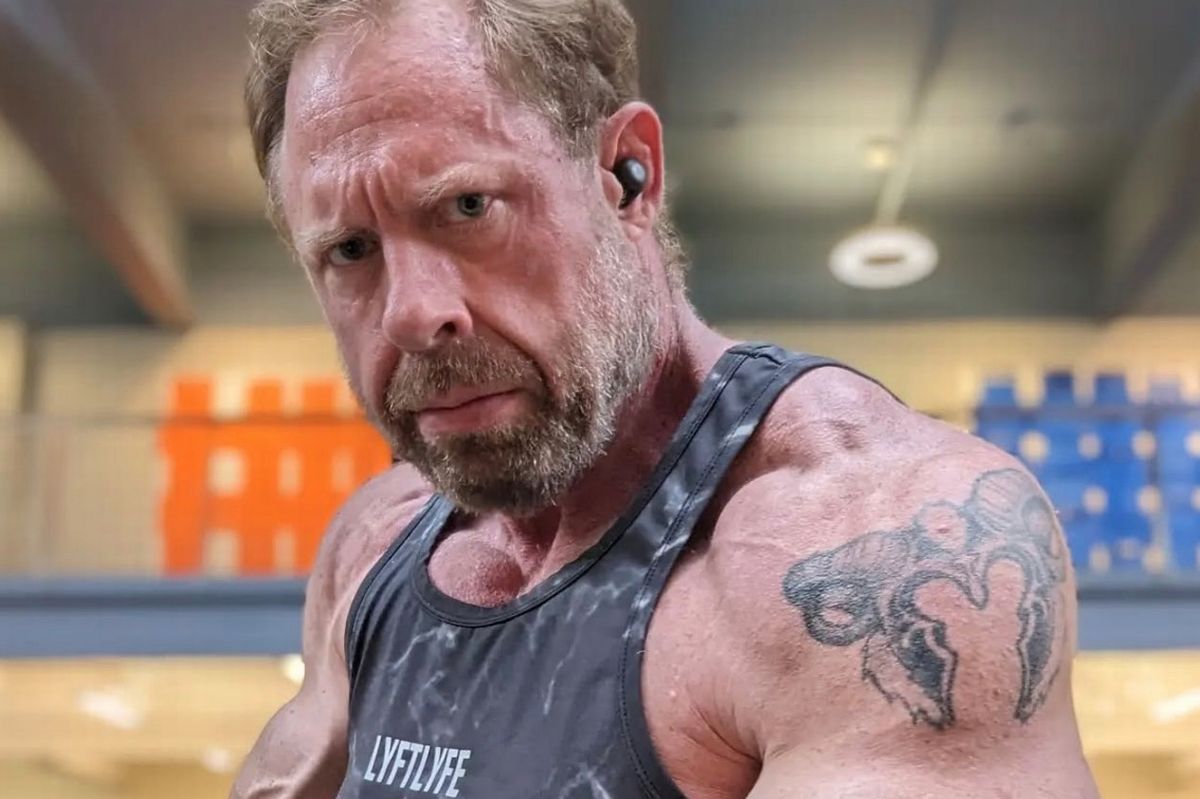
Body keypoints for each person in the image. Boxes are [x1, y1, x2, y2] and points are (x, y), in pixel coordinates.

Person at [232, 0, 1098, 796]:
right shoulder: (375, 546)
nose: (415, 314)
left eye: (468, 206)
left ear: (627, 174)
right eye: (350, 250)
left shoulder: (872, 551)